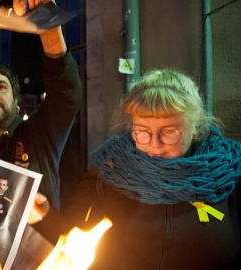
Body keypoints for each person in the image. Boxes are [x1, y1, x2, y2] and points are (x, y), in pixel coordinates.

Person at [63, 68, 241, 269]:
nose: (155, 144)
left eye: (170, 132)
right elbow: (69, 233)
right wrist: (41, 211)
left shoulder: (230, 170)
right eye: (142, 131)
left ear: (195, 126)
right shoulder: (109, 169)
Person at [0, 0, 82, 223]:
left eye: (1, 86)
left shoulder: (38, 134)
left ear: (15, 99)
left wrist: (49, 29)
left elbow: (66, 92)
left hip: (41, 254)